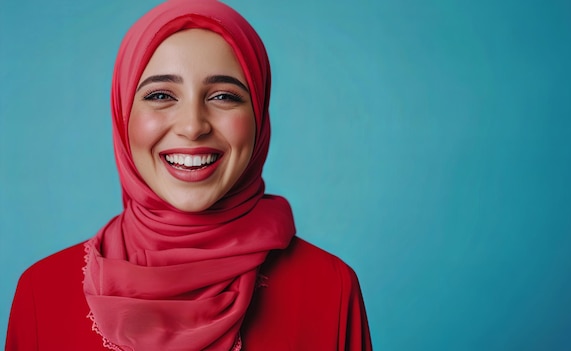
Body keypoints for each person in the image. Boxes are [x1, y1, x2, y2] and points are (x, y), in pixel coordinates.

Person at [5, 1, 372, 350]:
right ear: (122, 114)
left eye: (224, 96)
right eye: (161, 95)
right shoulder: (42, 293)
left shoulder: (330, 289)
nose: (193, 126)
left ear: (259, 115)